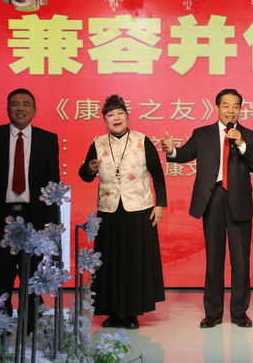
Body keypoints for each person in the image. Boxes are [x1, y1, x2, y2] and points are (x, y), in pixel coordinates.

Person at [160, 89, 253, 328]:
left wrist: (241, 143)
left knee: (241, 261)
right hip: (212, 199)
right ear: (216, 108)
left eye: (235, 106)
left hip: (239, 201)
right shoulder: (202, 134)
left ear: (240, 109)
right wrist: (171, 150)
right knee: (213, 259)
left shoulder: (250, 136)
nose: (231, 110)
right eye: (226, 105)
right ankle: (213, 313)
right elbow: (184, 153)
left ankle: (239, 313)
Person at [0, 88, 60, 328]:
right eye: (15, 104)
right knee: (2, 271)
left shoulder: (47, 139)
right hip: (2, 216)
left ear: (34, 110)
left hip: (35, 216)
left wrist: (51, 221)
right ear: (7, 108)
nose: (20, 108)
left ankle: (30, 324)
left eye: (26, 104)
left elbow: (53, 182)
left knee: (32, 273)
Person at [78, 94, 166, 329]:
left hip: (139, 209)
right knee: (109, 262)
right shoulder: (98, 143)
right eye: (110, 115)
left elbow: (157, 175)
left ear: (127, 116)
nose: (116, 118)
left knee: (134, 262)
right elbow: (85, 175)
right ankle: (113, 312)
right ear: (104, 120)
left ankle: (131, 313)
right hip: (108, 211)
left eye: (120, 113)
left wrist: (160, 205)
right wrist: (89, 169)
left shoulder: (142, 140)